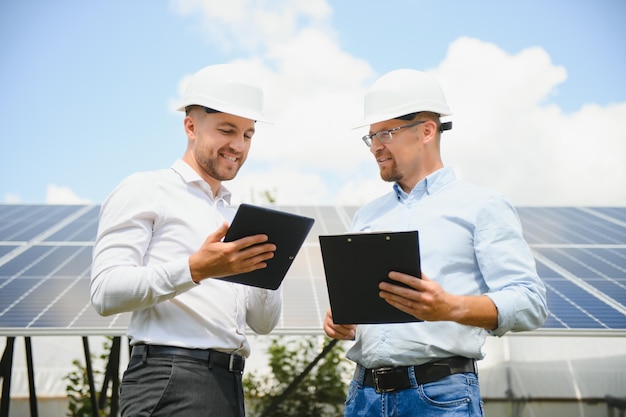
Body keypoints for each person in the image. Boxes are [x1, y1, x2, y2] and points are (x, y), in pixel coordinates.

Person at [323, 69, 548, 417]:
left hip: (440, 397)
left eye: (385, 133)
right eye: (371, 138)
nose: (376, 147)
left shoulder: (482, 206)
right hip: (363, 397)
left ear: (427, 130)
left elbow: (530, 302)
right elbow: (364, 311)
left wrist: (450, 307)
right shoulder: (368, 216)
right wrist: (345, 321)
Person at [90, 63, 282, 417]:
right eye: (227, 130)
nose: (238, 146)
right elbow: (105, 292)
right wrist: (196, 269)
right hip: (168, 379)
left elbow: (263, 323)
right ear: (190, 126)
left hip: (229, 386)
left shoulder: (236, 216)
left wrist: (269, 270)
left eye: (248, 135)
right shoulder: (145, 189)